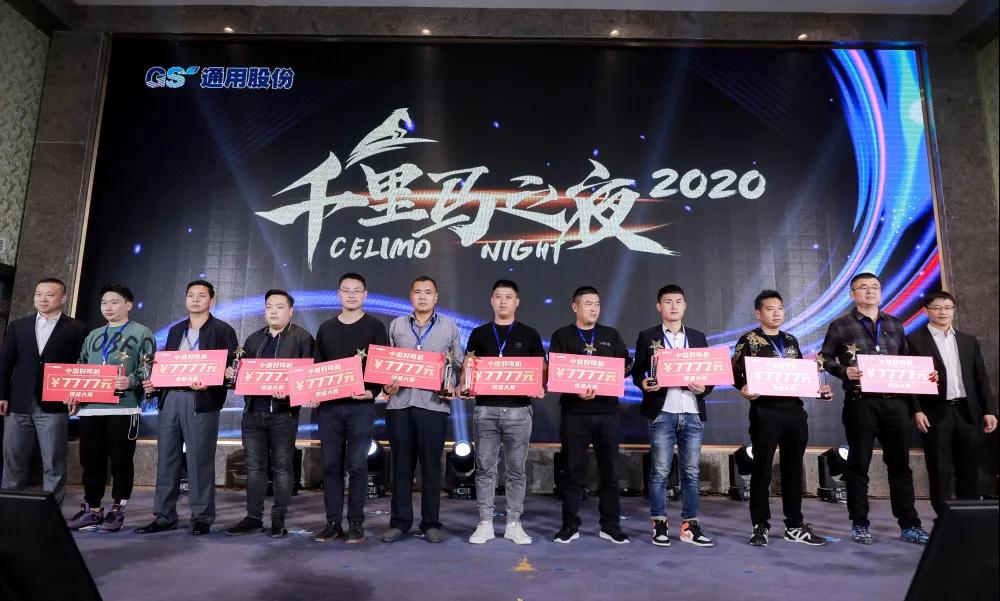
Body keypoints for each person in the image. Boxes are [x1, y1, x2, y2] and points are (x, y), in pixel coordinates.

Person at [820, 272, 929, 545]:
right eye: (863, 287)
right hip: (861, 402)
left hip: (896, 403)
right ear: (852, 294)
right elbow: (824, 358)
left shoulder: (895, 324)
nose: (869, 292)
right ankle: (859, 523)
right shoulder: (841, 325)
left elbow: (906, 365)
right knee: (858, 464)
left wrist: (916, 406)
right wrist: (844, 371)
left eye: (874, 287)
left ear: (881, 292)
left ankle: (910, 524)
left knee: (900, 466)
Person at [135, 280, 238, 536]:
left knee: (199, 460)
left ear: (211, 301)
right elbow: (167, 366)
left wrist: (215, 380)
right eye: (191, 295)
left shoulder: (222, 330)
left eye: (201, 296)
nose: (195, 299)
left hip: (200, 401)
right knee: (167, 459)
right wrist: (155, 382)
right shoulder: (176, 330)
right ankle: (163, 516)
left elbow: (231, 370)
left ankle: (201, 517)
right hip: (171, 398)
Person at [732, 289, 830, 547]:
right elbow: (734, 371)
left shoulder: (790, 340)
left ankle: (794, 525)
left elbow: (801, 375)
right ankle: (760, 526)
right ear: (758, 313)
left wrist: (819, 389)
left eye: (780, 308)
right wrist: (743, 388)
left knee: (793, 470)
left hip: (794, 411)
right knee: (762, 470)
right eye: (770, 309)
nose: (776, 313)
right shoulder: (749, 340)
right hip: (765, 411)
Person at [225, 289, 315, 538]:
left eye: (279, 307)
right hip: (253, 413)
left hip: (283, 415)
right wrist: (231, 375)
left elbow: (309, 378)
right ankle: (253, 518)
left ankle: (278, 518)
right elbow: (242, 377)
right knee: (254, 468)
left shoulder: (302, 338)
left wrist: (289, 393)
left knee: (282, 468)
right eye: (269, 307)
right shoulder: (253, 339)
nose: (273, 311)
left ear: (290, 311)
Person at [462, 279, 545, 545]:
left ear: (517, 302)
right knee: (485, 469)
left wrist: (538, 385)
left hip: (519, 411)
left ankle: (513, 523)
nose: (503, 301)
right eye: (498, 296)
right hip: (485, 410)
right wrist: (466, 385)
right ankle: (485, 522)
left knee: (516, 470)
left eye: (508, 297)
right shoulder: (478, 334)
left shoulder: (530, 334)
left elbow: (541, 369)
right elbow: (468, 367)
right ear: (492, 301)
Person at [381, 276, 463, 544]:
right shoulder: (397, 325)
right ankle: (400, 522)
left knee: (431, 467)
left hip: (433, 405)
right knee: (401, 467)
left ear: (436, 297)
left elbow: (458, 364)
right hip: (400, 404)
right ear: (411, 296)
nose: (423, 297)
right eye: (418, 292)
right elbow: (385, 362)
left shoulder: (449, 326)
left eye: (428, 292)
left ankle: (431, 523)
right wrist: (387, 383)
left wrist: (449, 383)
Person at [67, 284, 155, 533]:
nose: (108, 307)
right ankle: (93, 510)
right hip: (90, 409)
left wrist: (132, 381)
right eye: (104, 302)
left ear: (128, 305)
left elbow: (149, 367)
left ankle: (118, 511)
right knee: (90, 461)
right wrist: (74, 393)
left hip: (123, 408)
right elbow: (81, 366)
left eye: (114, 302)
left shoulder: (141, 333)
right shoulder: (94, 335)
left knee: (121, 461)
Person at [632, 284, 715, 548]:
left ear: (685, 305)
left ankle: (690, 525)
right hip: (662, 411)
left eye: (678, 301)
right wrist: (643, 383)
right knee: (659, 471)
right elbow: (637, 371)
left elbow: (710, 373)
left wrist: (705, 388)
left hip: (692, 411)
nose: (674, 306)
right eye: (668, 302)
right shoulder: (648, 336)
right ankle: (659, 523)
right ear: (659, 306)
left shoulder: (698, 337)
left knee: (691, 472)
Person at [549, 285, 630, 544]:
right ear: (575, 307)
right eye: (588, 304)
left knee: (610, 471)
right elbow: (555, 371)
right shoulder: (562, 335)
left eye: (597, 304)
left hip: (607, 412)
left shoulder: (610, 335)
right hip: (575, 413)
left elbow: (626, 365)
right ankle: (569, 525)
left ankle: (611, 525)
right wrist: (575, 389)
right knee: (572, 470)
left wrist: (612, 376)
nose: (593, 309)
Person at [311, 273, 387, 544]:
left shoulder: (375, 327)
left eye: (357, 290)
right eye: (346, 290)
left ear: (365, 295)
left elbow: (381, 364)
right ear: (338, 294)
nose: (351, 295)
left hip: (360, 408)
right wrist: (313, 393)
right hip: (330, 409)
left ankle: (356, 523)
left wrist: (373, 391)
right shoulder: (326, 328)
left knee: (357, 465)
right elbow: (317, 367)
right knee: (331, 466)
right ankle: (332, 523)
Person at [906, 291, 997, 517]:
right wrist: (916, 410)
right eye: (937, 307)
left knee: (970, 468)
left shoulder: (967, 340)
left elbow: (980, 377)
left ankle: (969, 517)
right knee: (939, 469)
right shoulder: (913, 340)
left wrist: (989, 410)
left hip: (967, 411)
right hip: (935, 411)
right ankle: (944, 519)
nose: (943, 312)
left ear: (954, 310)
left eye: (947, 307)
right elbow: (908, 379)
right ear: (926, 311)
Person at [0, 278, 88, 506]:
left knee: (54, 462)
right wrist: (2, 394)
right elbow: (5, 363)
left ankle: (51, 514)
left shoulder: (77, 328)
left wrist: (76, 394)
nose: (43, 299)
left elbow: (81, 365)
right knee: (13, 461)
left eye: (49, 295)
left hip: (54, 404)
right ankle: (9, 511)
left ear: (63, 298)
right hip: (18, 402)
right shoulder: (19, 326)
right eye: (39, 294)